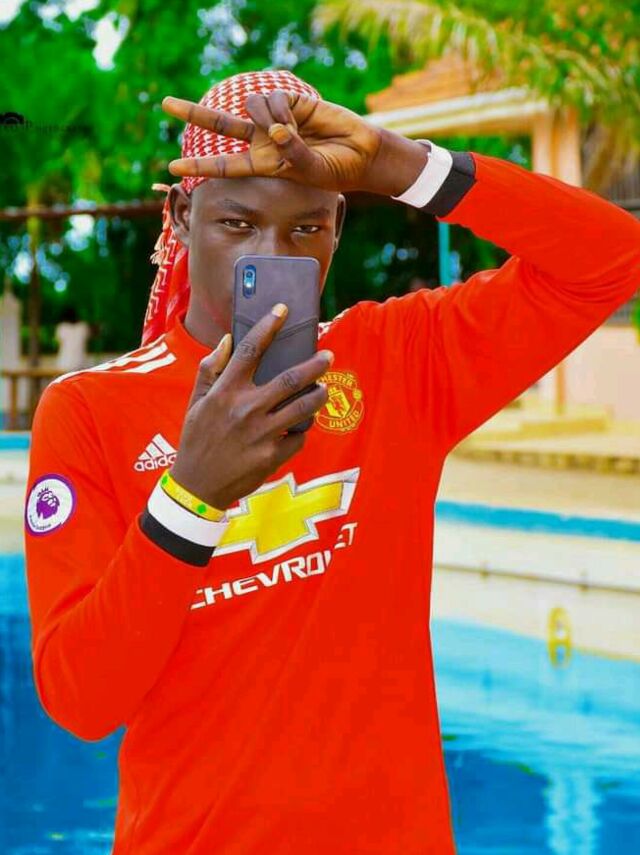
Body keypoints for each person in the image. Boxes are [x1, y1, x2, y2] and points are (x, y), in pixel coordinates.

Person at [23, 70, 640, 854]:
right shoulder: (89, 409)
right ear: (181, 214)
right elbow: (81, 700)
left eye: (305, 228)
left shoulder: (395, 358)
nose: (269, 256)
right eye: (238, 223)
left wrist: (400, 164)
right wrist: (190, 496)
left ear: (338, 223)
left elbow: (612, 259)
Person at [53, 306, 91, 371]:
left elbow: (59, 342)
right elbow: (86, 342)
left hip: (64, 363)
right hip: (80, 362)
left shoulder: (62, 327)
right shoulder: (83, 326)